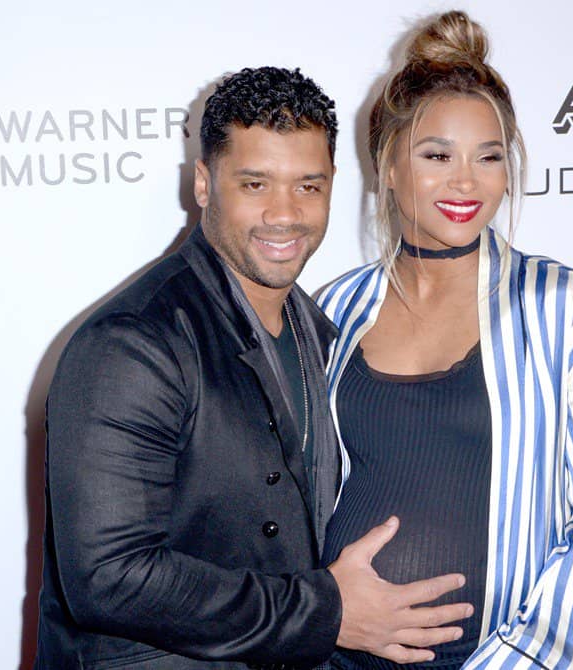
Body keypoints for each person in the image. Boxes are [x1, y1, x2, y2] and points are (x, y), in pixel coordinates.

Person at [34, 66, 471, 670]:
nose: (284, 214)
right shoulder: (134, 341)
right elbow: (111, 577)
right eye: (255, 185)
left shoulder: (318, 329)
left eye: (308, 187)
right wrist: (329, 612)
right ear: (206, 185)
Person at [318, 12, 573, 670]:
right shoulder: (334, 308)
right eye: (437, 155)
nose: (466, 181)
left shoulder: (561, 308)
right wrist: (322, 611)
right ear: (385, 165)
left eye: (489, 157)